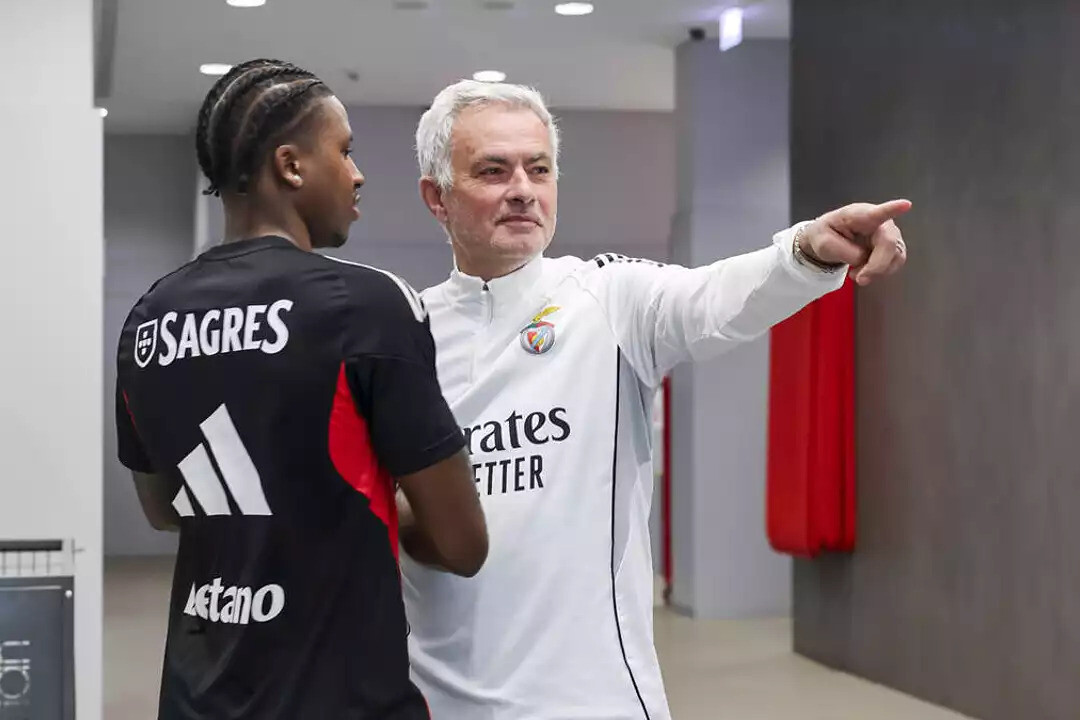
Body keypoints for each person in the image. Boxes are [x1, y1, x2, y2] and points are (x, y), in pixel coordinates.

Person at [399, 79, 909, 719]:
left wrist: (806, 252)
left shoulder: (609, 297)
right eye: (493, 171)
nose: (523, 189)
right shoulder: (402, 334)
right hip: (436, 700)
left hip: (590, 702)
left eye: (540, 169)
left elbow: (713, 299)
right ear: (437, 197)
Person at [114, 59, 488, 720]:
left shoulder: (148, 318)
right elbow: (461, 544)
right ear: (291, 166)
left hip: (196, 699)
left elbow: (164, 508)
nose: (357, 173)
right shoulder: (368, 305)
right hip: (340, 701)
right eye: (344, 151)